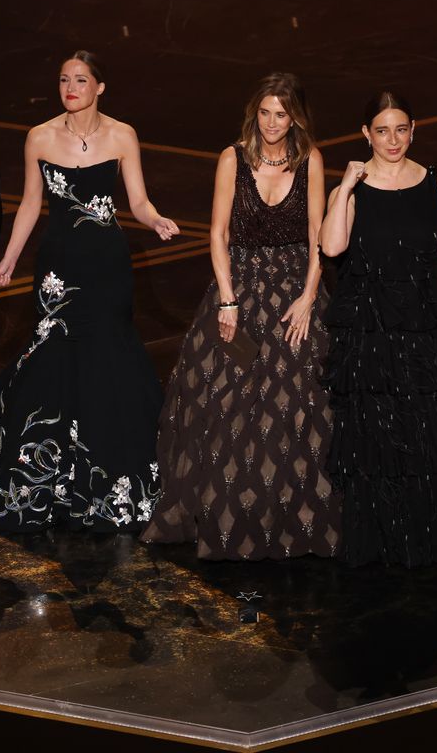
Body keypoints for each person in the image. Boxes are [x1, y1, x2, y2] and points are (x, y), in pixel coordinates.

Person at [142, 73, 340, 560]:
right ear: (255, 114)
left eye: (283, 115)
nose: (273, 124)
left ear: (296, 118)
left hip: (295, 291)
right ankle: (233, 514)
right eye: (266, 113)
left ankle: (292, 517)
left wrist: (310, 297)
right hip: (242, 289)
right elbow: (217, 234)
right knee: (228, 401)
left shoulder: (310, 160)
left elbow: (318, 236)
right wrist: (227, 300)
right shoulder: (232, 158)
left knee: (298, 403)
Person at [0, 51, 179, 533]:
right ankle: (53, 475)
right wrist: (8, 258)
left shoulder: (122, 135)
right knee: (57, 355)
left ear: (100, 86)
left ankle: (108, 479)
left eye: (81, 80)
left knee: (107, 356)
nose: (70, 88)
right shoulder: (40, 137)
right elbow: (31, 203)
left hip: (109, 266)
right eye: (64, 80)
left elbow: (137, 200)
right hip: (60, 268)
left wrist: (154, 220)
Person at [319, 92, 437, 567]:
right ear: (366, 135)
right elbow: (333, 247)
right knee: (379, 436)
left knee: (429, 433)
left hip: (425, 325)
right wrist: (347, 182)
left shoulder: (433, 183)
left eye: (401, 129)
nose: (392, 139)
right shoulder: (352, 191)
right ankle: (386, 540)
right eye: (382, 130)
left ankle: (433, 534)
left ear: (413, 130)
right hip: (372, 333)